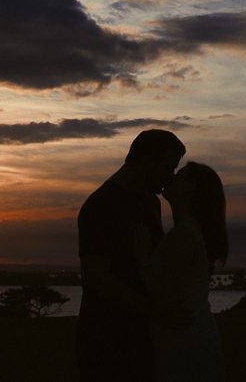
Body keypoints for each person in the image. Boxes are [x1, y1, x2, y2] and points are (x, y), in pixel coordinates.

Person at [77, 129, 187, 382]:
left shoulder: (150, 201)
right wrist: (155, 310)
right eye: (168, 168)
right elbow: (95, 276)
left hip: (143, 333)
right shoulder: (100, 205)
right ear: (148, 161)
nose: (169, 178)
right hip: (105, 338)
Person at [134, 162, 228, 382]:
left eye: (180, 175)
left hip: (183, 336)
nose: (171, 176)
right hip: (192, 331)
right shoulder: (191, 232)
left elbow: (164, 294)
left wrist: (142, 259)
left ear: (191, 188)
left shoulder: (183, 236)